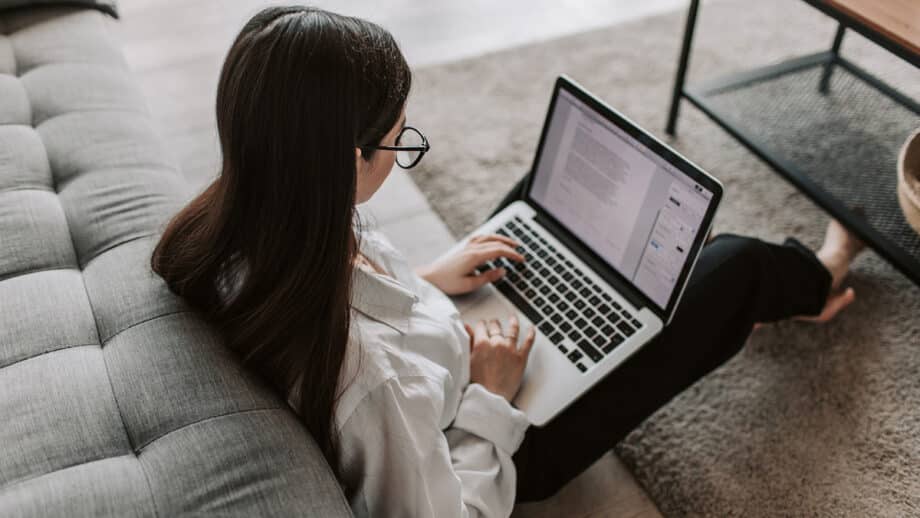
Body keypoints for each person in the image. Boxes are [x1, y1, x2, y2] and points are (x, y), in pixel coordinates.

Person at [150, 6, 865, 517]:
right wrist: (492, 394)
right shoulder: (370, 384)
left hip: (445, 352)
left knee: (542, 206)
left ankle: (661, 275)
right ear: (344, 159)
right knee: (736, 266)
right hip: (503, 443)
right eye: (399, 145)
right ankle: (820, 274)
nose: (402, 155)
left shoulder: (248, 222)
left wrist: (428, 282)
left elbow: (354, 306)